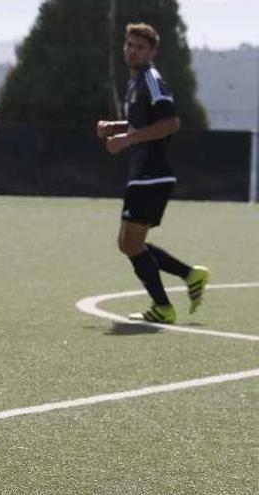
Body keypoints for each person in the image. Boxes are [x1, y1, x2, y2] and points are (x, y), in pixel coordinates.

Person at [96, 23, 209, 324]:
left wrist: (126, 140)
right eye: (129, 45)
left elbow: (170, 123)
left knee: (130, 244)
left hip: (153, 174)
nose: (132, 50)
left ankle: (164, 306)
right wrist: (115, 127)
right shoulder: (136, 83)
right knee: (129, 243)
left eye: (140, 47)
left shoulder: (152, 81)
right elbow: (141, 123)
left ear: (152, 52)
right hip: (142, 174)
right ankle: (189, 275)